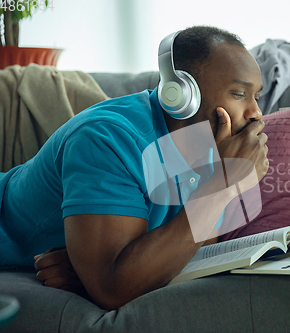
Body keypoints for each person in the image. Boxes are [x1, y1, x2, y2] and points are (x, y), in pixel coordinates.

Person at [0, 26, 268, 310]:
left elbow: (195, 247)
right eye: (239, 94)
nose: (256, 114)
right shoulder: (105, 139)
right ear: (181, 94)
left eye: (257, 97)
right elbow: (114, 289)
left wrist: (112, 270)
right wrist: (221, 185)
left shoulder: (209, 147)